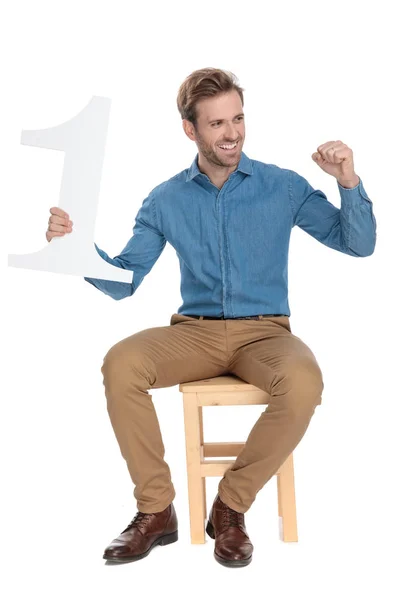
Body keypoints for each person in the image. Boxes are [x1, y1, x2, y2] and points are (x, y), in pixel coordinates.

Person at [46, 67, 377, 568]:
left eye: (238, 119)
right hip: (194, 335)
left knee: (304, 382)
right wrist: (75, 249)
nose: (232, 133)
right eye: (218, 123)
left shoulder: (283, 186)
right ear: (191, 129)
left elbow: (359, 244)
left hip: (266, 333)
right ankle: (157, 511)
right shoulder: (165, 198)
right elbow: (124, 281)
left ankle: (230, 506)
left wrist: (348, 180)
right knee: (121, 362)